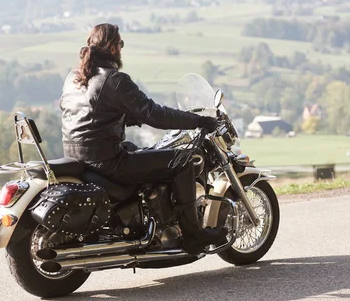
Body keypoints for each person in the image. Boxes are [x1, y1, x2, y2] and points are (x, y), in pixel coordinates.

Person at [60, 23, 227, 254]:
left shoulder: (74, 77)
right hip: (108, 161)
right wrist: (198, 120)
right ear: (111, 49)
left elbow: (85, 114)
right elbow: (155, 114)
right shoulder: (115, 80)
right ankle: (193, 235)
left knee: (139, 151)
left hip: (78, 156)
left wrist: (126, 118)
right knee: (182, 162)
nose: (121, 48)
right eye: (120, 44)